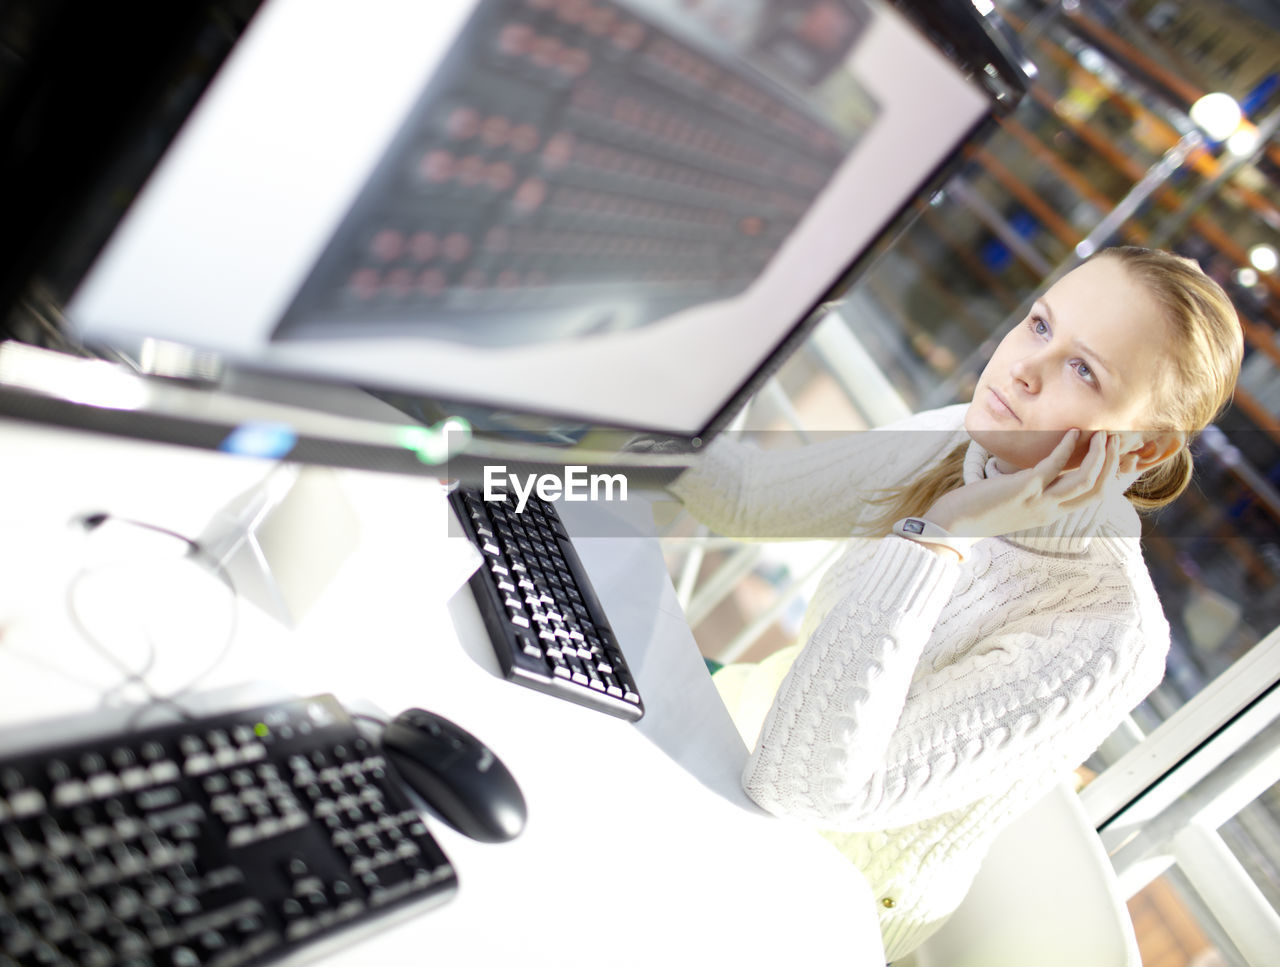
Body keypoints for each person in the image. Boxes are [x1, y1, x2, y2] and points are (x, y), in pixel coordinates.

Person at [668, 246, 1243, 961]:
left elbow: (801, 787)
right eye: (1040, 325)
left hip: (799, 891)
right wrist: (596, 399)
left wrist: (943, 532)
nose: (1024, 368)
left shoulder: (1110, 634)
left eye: (1083, 369)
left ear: (1141, 449)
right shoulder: (972, 436)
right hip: (721, 737)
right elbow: (750, 498)